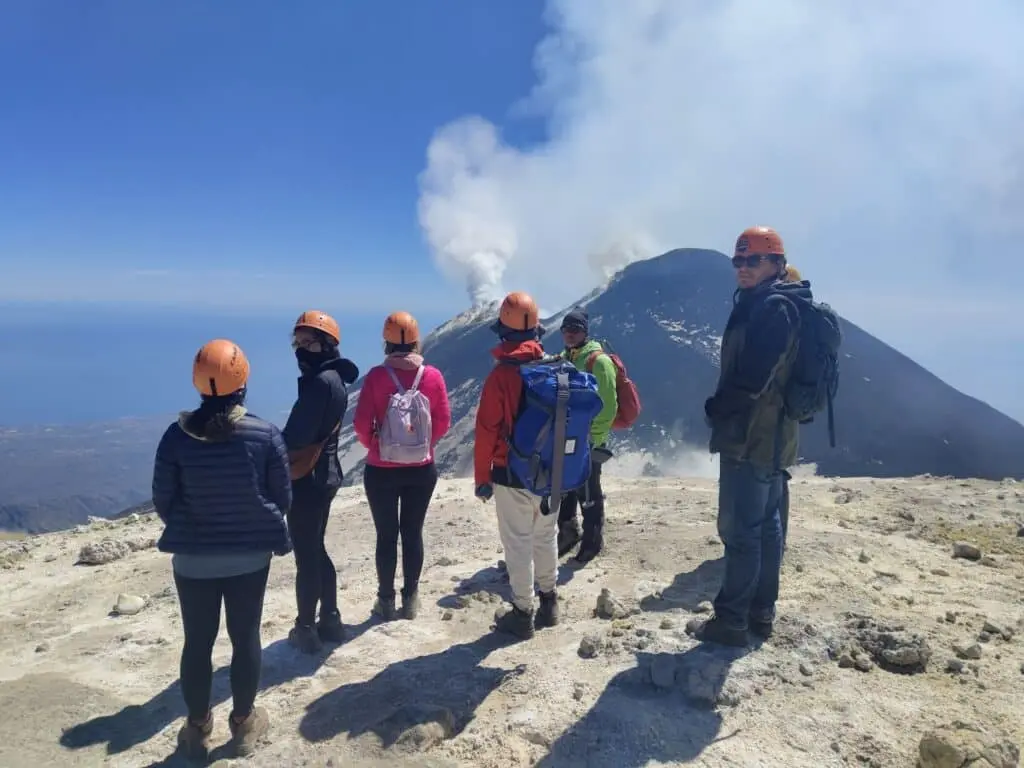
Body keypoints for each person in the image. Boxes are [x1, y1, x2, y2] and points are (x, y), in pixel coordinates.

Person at [152, 339, 291, 760]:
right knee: (244, 635)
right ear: (243, 381)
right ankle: (243, 722)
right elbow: (282, 498)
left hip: (192, 560)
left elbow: (164, 499)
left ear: (198, 383)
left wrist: (196, 526)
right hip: (250, 555)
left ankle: (197, 728)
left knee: (198, 640)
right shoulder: (265, 434)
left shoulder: (176, 437)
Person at [700, 225, 808, 647]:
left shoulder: (772, 309)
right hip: (774, 437)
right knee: (767, 526)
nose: (743, 268)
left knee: (743, 531)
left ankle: (731, 620)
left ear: (777, 264)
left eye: (753, 260)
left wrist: (718, 409)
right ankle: (761, 613)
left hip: (752, 438)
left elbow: (754, 378)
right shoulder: (773, 303)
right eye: (738, 260)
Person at [353, 311, 452, 620]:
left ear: (386, 343)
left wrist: (380, 449)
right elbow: (444, 421)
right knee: (412, 531)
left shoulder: (376, 377)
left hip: (381, 471)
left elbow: (359, 424)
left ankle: (385, 600)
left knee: (386, 534)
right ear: (416, 341)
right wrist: (423, 448)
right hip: (422, 470)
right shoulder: (432, 376)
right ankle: (411, 599)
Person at [473, 291, 559, 639]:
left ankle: (523, 612)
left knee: (518, 542)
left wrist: (482, 479)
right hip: (551, 473)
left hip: (512, 473)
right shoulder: (553, 368)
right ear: (536, 330)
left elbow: (486, 431)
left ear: (503, 333)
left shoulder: (501, 377)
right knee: (545, 535)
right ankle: (550, 600)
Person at [282, 310, 359, 653]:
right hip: (325, 474)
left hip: (307, 480)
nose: (301, 350)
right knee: (317, 548)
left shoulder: (318, 384)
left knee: (307, 554)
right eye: (297, 343)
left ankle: (306, 628)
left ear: (327, 344)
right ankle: (330, 618)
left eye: (308, 342)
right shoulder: (334, 379)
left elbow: (296, 437)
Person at [556, 307, 617, 563]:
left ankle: (592, 541)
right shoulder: (563, 357)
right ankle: (569, 532)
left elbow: (608, 406)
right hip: (567, 437)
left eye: (575, 329)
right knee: (565, 487)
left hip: (587, 440)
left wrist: (594, 439)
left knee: (589, 490)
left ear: (585, 332)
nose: (570, 334)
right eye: (566, 329)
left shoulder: (599, 362)